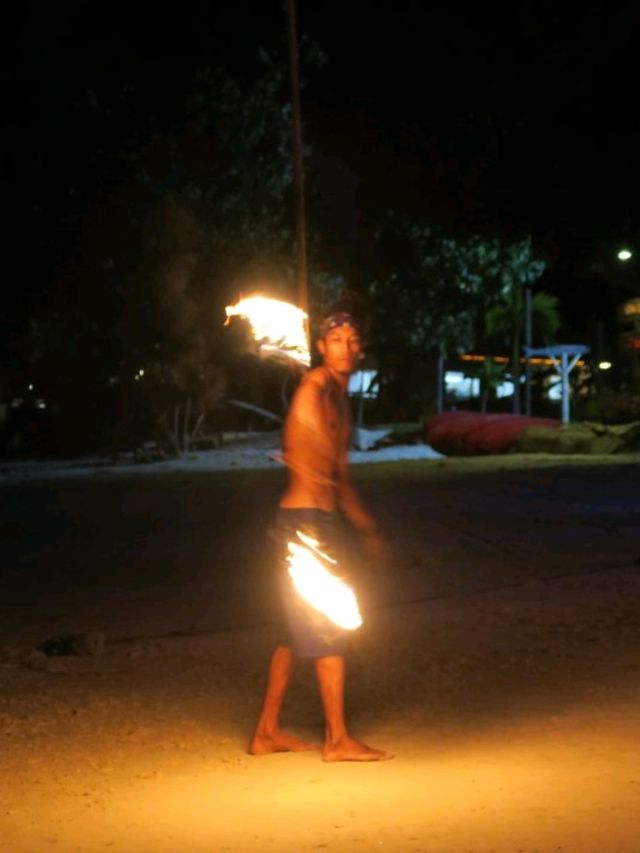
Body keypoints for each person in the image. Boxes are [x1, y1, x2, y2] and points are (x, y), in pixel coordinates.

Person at [249, 306, 392, 761]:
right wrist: (299, 453)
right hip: (304, 527)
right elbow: (306, 452)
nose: (346, 347)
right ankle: (336, 740)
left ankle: (266, 732)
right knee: (329, 624)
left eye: (352, 340)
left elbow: (340, 476)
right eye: (336, 340)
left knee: (290, 632)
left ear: (360, 347)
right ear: (321, 347)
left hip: (319, 522)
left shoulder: (340, 401)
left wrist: (366, 528)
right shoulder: (313, 389)